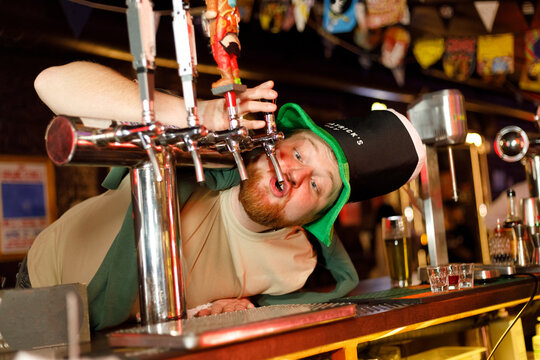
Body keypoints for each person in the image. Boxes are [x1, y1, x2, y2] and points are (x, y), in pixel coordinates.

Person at [19, 61, 425, 331]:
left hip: (120, 340)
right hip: (35, 296)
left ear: (318, 216)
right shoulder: (201, 155)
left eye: (318, 186)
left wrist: (230, 308)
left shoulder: (295, 267)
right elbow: (49, 83)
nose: (297, 174)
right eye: (300, 152)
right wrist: (196, 117)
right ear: (275, 141)